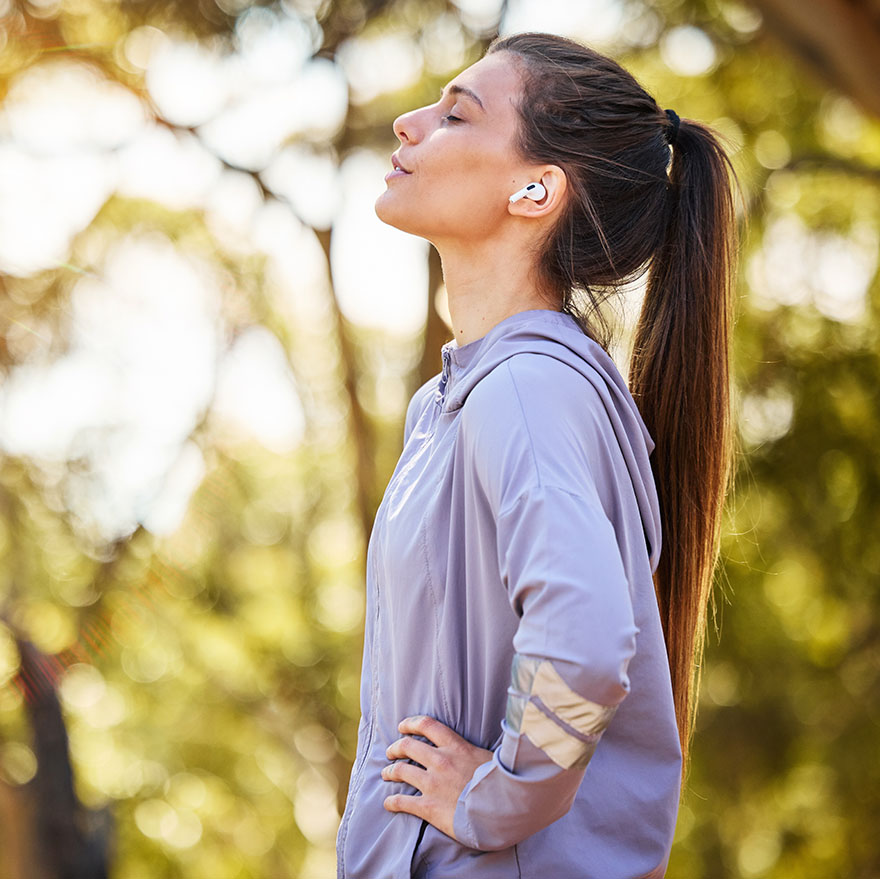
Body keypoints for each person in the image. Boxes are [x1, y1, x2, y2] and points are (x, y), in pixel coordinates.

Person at [335, 31, 743, 879]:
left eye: (455, 114)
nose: (409, 124)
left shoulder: (528, 385)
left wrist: (496, 797)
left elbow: (586, 640)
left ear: (535, 189)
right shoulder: (455, 401)